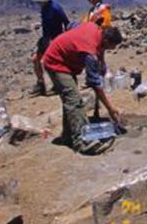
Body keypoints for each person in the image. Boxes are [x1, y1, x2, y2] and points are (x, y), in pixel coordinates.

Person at [42, 22, 123, 153]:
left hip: (66, 61)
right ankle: (82, 141)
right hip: (56, 62)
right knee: (74, 101)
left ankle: (68, 136)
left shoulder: (95, 29)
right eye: (109, 47)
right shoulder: (90, 52)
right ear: (106, 40)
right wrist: (110, 108)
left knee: (70, 100)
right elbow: (95, 84)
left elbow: (99, 48)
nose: (108, 50)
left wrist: (102, 65)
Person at [31, 0, 70, 96]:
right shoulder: (44, 8)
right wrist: (40, 25)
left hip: (55, 39)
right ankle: (40, 84)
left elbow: (66, 23)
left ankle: (58, 84)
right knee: (35, 59)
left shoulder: (55, 8)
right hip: (45, 38)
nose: (38, 4)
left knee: (51, 62)